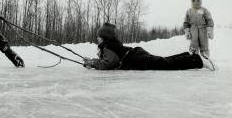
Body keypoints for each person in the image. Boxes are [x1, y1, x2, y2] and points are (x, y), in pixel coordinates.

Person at [83, 23, 216, 71]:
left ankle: (198, 61)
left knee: (165, 64)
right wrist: (92, 61)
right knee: (164, 61)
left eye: (99, 36)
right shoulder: (109, 45)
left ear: (105, 37)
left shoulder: (108, 46)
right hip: (136, 56)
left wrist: (92, 63)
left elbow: (108, 64)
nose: (97, 38)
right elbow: (108, 59)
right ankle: (192, 57)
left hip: (136, 59)